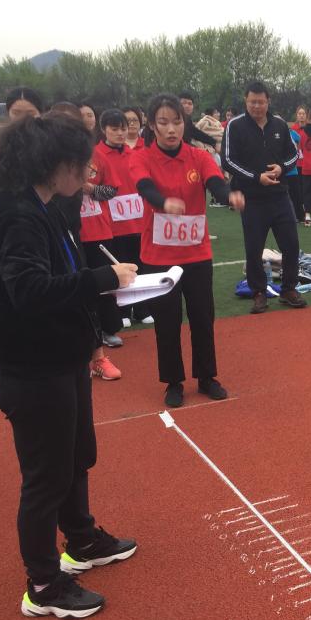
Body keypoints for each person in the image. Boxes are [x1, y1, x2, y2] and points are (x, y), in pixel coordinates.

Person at [0, 112, 139, 619]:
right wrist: (104, 279)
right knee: (46, 476)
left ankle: (82, 539)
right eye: (81, 163)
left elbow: (56, 277)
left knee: (74, 456)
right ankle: (43, 584)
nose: (89, 171)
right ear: (53, 163)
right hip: (31, 368)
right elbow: (28, 291)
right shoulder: (18, 214)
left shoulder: (42, 205)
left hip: (59, 357)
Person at [131, 93, 245, 407]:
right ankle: (173, 381)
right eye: (163, 122)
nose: (171, 129)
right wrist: (163, 202)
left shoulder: (198, 157)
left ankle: (207, 377)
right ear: (152, 125)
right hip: (159, 257)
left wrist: (229, 196)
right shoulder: (142, 158)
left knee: (202, 317)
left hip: (196, 254)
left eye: (177, 122)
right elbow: (144, 187)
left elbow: (215, 183)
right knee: (167, 322)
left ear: (185, 124)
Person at [221, 82, 305, 315]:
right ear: (246, 101)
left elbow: (293, 154)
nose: (256, 106)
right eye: (252, 102)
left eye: (261, 102)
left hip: (280, 196)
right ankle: (258, 292)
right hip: (252, 198)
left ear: (268, 102)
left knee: (291, 244)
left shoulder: (279, 124)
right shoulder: (235, 125)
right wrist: (256, 177)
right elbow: (227, 160)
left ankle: (289, 289)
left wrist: (281, 168)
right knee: (253, 248)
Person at [78, 111, 126, 378]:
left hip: (99, 230)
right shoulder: (58, 157)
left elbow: (112, 191)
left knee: (105, 282)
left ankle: (108, 329)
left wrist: (90, 189)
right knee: (78, 285)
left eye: (88, 115)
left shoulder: (99, 156)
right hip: (73, 232)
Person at [95, 108, 148, 329]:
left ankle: (142, 309)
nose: (120, 133)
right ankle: (122, 310)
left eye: (123, 128)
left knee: (139, 265)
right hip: (113, 224)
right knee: (118, 267)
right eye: (114, 129)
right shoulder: (97, 154)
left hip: (138, 221)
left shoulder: (134, 154)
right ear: (103, 129)